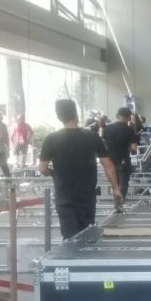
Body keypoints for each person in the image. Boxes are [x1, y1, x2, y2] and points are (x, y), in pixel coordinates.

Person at [39, 98, 122, 239]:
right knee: (87, 235)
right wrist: (116, 188)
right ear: (75, 114)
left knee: (69, 238)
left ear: (59, 116)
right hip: (87, 195)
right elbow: (108, 164)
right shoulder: (92, 136)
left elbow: (42, 168)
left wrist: (52, 173)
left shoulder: (51, 139)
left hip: (64, 195)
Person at [103, 106, 139, 201]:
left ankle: (116, 198)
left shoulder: (108, 128)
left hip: (110, 160)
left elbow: (103, 143)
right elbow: (134, 148)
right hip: (124, 160)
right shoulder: (130, 130)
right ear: (129, 117)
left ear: (117, 115)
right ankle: (121, 200)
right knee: (123, 182)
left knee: (114, 182)